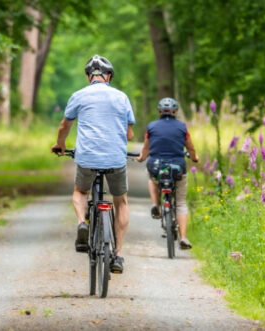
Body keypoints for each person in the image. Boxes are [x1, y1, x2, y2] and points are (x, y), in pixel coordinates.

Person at [51, 55, 135, 273]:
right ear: (109, 77)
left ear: (89, 77)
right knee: (121, 201)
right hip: (116, 158)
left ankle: (82, 223)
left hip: (87, 157)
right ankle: (118, 255)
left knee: (80, 191)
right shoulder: (122, 97)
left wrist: (60, 144)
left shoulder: (78, 96)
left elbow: (64, 126)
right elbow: (130, 133)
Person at [136, 97, 199, 249]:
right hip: (177, 168)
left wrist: (141, 158)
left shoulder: (151, 127)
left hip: (156, 167)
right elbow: (190, 148)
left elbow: (145, 150)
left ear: (159, 111)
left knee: (152, 179)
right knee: (181, 203)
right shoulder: (182, 127)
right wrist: (195, 157)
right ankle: (183, 237)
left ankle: (155, 204)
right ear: (175, 112)